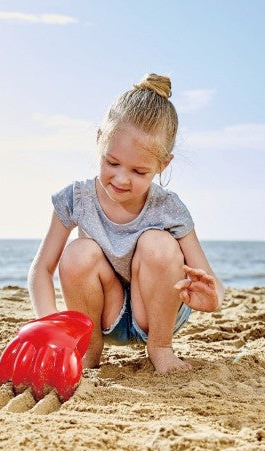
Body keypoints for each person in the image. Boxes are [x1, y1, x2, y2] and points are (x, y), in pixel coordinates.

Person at [28, 73, 224, 374]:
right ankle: (89, 350)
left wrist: (213, 299)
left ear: (163, 165)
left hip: (158, 313)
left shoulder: (169, 208)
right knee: (78, 252)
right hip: (106, 312)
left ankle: (160, 348)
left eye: (138, 171)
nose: (120, 179)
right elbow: (42, 269)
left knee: (157, 243)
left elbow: (209, 278)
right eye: (112, 162)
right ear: (99, 141)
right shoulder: (76, 199)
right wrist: (49, 323)